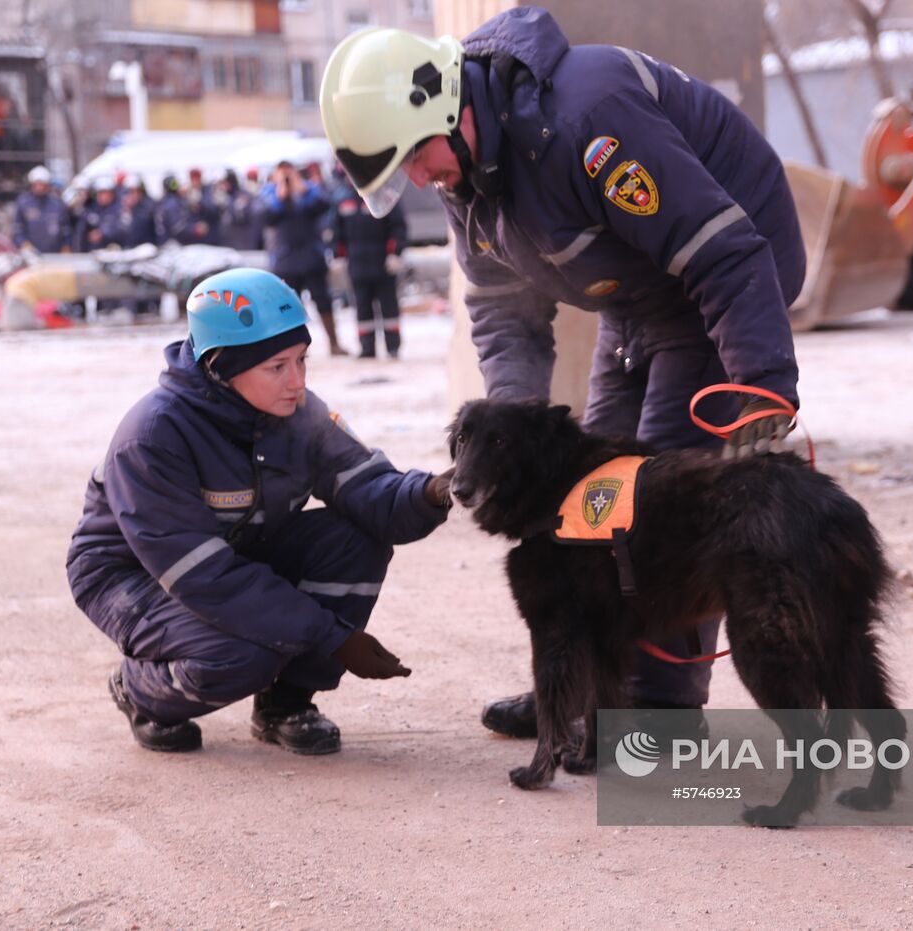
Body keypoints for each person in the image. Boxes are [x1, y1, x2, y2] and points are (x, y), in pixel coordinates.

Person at [320, 9, 807, 737]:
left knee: (655, 503)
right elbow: (502, 317)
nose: (421, 180)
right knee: (587, 501)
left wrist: (761, 385)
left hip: (727, 276)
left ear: (445, 104)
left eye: (415, 157)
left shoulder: (587, 117)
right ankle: (580, 690)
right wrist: (511, 443)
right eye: (403, 173)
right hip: (637, 301)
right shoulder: (469, 186)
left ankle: (662, 710)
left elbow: (723, 251)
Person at [66, 267, 453, 754]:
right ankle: (142, 692)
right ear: (220, 366)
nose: (297, 381)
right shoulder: (153, 437)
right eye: (277, 367)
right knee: (243, 651)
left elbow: (368, 489)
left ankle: (284, 705)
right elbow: (204, 577)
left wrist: (434, 491)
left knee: (355, 539)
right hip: (132, 574)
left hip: (238, 548)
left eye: (302, 360)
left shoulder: (297, 414)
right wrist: (334, 637)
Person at [261, 161, 345, 356]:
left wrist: (303, 189)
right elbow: (268, 216)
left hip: (311, 258)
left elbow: (323, 205)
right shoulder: (269, 193)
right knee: (288, 308)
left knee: (324, 301)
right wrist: (282, 192)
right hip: (285, 261)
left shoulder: (308, 191)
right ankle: (294, 349)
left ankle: (334, 343)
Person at [330, 176, 407, 359]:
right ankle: (367, 349)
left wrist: (395, 253)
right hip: (357, 265)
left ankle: (393, 347)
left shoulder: (385, 196)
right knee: (362, 308)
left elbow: (398, 227)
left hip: (383, 265)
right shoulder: (342, 199)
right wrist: (338, 256)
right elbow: (336, 231)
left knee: (389, 307)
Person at [11, 166, 71, 254]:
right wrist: (23, 243)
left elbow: (65, 229)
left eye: (42, 184)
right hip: (32, 255)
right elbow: (17, 229)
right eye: (37, 184)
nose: (40, 188)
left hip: (55, 254)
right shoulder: (23, 203)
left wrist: (66, 246)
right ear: (32, 184)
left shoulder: (57, 204)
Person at [216, 169, 265, 251]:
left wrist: (230, 205)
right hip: (227, 242)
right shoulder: (226, 197)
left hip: (242, 243)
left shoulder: (242, 196)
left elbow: (241, 217)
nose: (222, 186)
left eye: (224, 183)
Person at [76, 177, 119, 251]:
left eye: (104, 193)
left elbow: (121, 230)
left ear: (112, 194)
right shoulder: (91, 209)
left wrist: (102, 234)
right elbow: (81, 231)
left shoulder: (118, 209)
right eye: (99, 193)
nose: (101, 196)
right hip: (90, 251)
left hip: (111, 252)